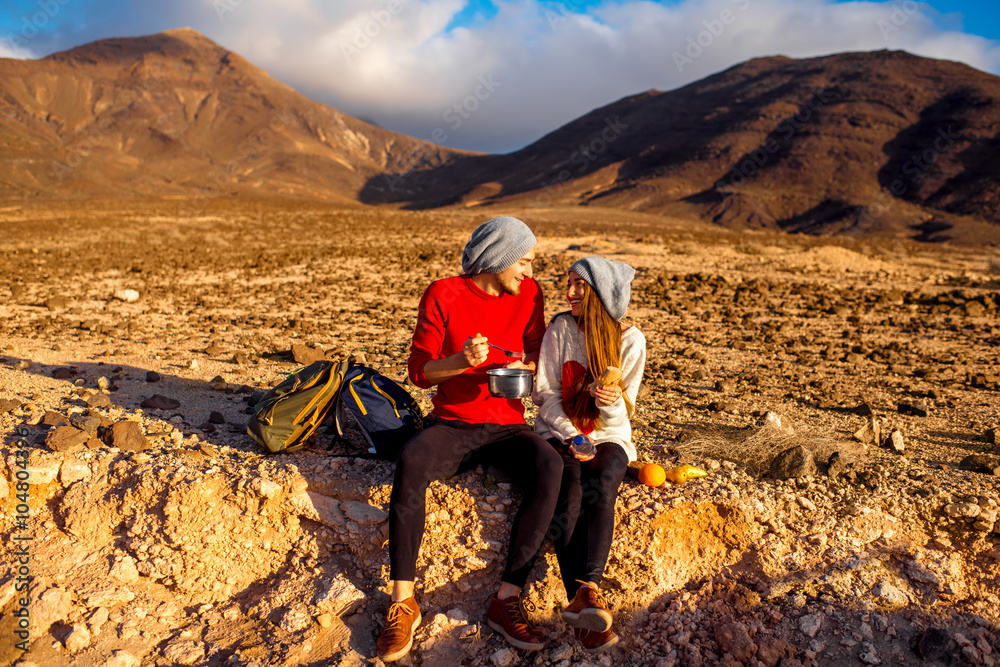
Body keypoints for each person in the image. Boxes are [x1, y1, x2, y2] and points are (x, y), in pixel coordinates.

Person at [376, 216, 564, 663]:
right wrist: (461, 360)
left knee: (550, 466)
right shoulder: (444, 293)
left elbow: (539, 348)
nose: (530, 272)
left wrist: (527, 363)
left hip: (508, 425)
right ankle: (403, 601)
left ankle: (506, 599)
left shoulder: (531, 296)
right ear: (497, 257)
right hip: (452, 423)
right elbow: (420, 372)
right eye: (524, 261)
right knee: (413, 461)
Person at [531, 256, 646, 653]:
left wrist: (610, 402)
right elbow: (544, 394)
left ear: (603, 295)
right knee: (570, 483)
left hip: (609, 433)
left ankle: (588, 589)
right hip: (560, 430)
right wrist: (571, 436)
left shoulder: (631, 340)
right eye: (568, 283)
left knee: (607, 476)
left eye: (580, 286)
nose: (569, 293)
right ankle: (583, 606)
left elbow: (622, 411)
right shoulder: (561, 328)